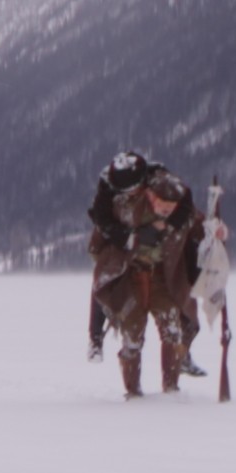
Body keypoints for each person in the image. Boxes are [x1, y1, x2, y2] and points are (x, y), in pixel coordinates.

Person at [84, 151, 208, 376]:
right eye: (126, 192)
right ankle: (95, 339)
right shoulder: (108, 188)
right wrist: (128, 237)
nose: (131, 194)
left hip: (163, 268)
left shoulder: (160, 178)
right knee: (105, 289)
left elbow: (186, 204)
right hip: (127, 266)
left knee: (178, 316)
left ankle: (181, 361)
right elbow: (101, 219)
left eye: (134, 189)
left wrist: (170, 225)